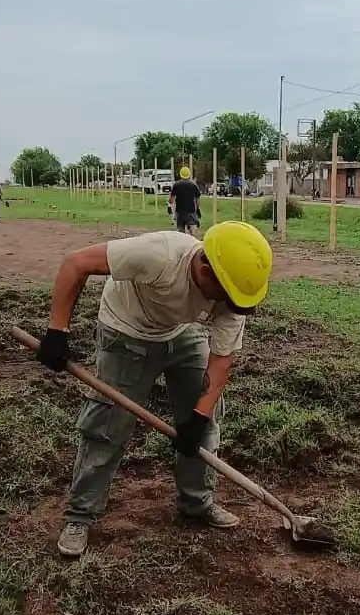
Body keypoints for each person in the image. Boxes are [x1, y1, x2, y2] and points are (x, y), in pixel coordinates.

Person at [36, 222, 273, 557]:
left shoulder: (233, 295)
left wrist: (198, 417)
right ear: (205, 267)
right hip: (126, 330)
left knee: (204, 422)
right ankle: (80, 515)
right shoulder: (160, 254)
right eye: (222, 293)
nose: (226, 303)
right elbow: (77, 262)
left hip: (181, 330)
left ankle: (197, 502)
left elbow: (221, 363)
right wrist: (57, 331)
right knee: (109, 424)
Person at [169, 166, 201, 235]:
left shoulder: (176, 185)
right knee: (192, 231)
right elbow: (197, 199)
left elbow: (171, 200)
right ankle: (192, 240)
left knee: (181, 233)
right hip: (191, 211)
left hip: (180, 212)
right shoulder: (193, 184)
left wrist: (169, 205)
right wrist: (198, 209)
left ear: (180, 174)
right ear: (189, 174)